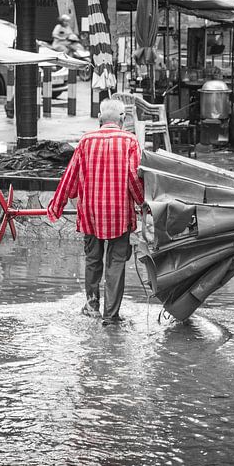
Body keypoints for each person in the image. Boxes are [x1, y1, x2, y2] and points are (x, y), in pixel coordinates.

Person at [47, 99, 145, 326]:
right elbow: (134, 178)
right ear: (122, 119)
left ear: (100, 118)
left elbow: (70, 178)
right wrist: (143, 204)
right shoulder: (130, 141)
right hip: (120, 214)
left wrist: (56, 206)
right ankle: (111, 316)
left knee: (92, 260)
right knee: (116, 263)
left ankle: (92, 306)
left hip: (90, 214)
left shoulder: (85, 141)